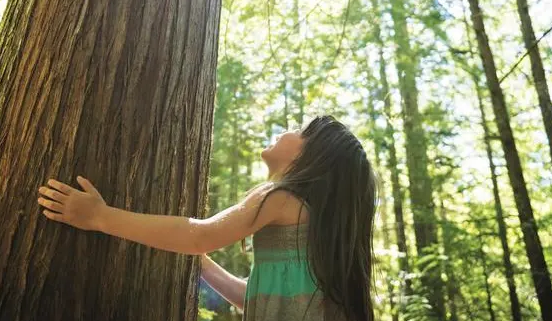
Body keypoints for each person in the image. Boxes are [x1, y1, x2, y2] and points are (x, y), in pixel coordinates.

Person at [37, 115, 376, 321]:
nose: (288, 129)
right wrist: (202, 264)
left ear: (313, 159)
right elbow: (256, 300)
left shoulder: (279, 198)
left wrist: (100, 216)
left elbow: (199, 235)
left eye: (301, 130)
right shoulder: (311, 235)